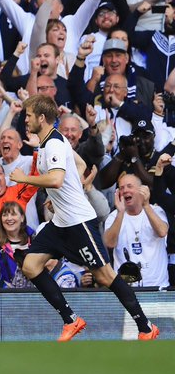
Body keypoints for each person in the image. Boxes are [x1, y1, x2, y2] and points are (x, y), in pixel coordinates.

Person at [14, 95, 159, 341]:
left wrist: (24, 178)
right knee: (30, 266)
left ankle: (146, 327)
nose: (24, 119)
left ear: (41, 117)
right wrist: (63, 194)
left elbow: (57, 179)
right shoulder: (50, 143)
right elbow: (79, 165)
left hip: (79, 222)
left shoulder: (54, 145)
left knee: (104, 276)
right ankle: (71, 320)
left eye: (28, 115)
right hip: (60, 222)